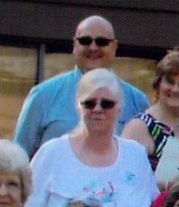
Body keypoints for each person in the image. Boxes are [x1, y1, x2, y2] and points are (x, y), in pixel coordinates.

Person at [26, 68, 156, 207]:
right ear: (78, 107)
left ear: (120, 109)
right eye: (89, 103)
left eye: (107, 104)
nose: (98, 109)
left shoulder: (136, 155)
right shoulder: (52, 153)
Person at [12, 15, 146, 154]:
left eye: (101, 42)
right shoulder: (43, 96)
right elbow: (19, 156)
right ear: (75, 45)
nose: (93, 47)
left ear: (114, 46)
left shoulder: (137, 101)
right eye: (85, 41)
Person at [123, 48, 179, 188]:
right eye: (170, 82)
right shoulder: (138, 127)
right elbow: (125, 179)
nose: (175, 89)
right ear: (158, 85)